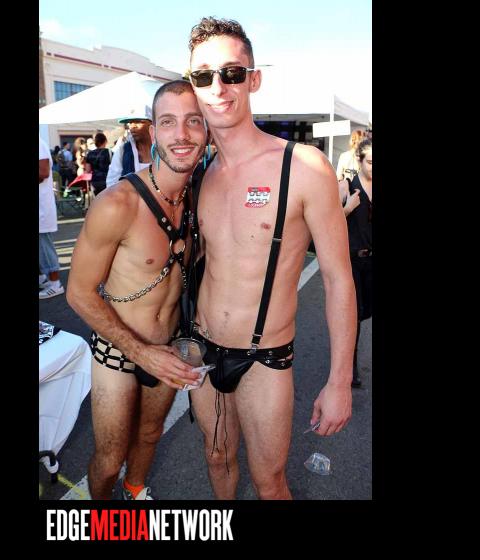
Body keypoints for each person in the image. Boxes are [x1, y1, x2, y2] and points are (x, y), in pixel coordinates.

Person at [185, 17, 356, 500]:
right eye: (203, 76)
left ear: (253, 79)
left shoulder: (302, 166)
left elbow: (338, 279)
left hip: (264, 360)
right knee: (217, 458)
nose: (218, 87)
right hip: (202, 351)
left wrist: (339, 381)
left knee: (270, 483)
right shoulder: (199, 171)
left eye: (232, 73)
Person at [66, 80, 208, 500]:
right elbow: (78, 293)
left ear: (206, 130)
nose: (181, 134)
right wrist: (141, 352)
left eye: (193, 121)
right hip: (118, 349)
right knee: (110, 458)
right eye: (168, 122)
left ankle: (136, 490)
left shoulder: (202, 198)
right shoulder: (117, 204)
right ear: (153, 130)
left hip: (171, 344)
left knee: (149, 434)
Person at [339, 138, 372, 388]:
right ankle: (349, 366)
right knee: (355, 316)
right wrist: (348, 208)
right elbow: (327, 222)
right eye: (370, 161)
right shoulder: (347, 186)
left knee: (366, 311)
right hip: (352, 262)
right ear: (359, 161)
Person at [39, 135, 65, 299]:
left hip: (41, 207)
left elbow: (43, 172)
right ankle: (43, 279)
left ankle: (55, 284)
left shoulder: (39, 144)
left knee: (45, 246)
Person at [106, 112, 153, 187]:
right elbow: (112, 183)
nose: (132, 126)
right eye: (130, 123)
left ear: (152, 124)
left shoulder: (163, 149)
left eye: (138, 122)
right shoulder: (123, 151)